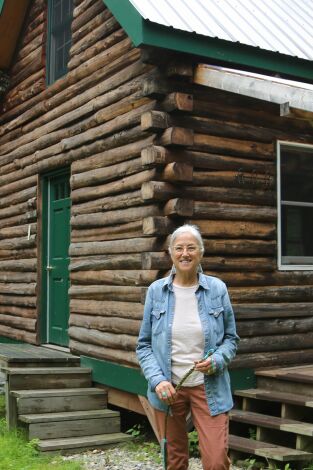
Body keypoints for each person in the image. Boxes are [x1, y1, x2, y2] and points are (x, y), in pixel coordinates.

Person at [136, 224, 239, 470]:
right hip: (169, 389)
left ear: (200, 253)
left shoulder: (217, 289)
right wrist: (158, 380)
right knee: (175, 461)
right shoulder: (156, 292)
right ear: (171, 253)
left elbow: (231, 339)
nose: (185, 253)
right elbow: (143, 345)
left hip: (209, 387)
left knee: (215, 461)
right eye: (179, 248)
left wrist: (216, 361)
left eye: (191, 248)